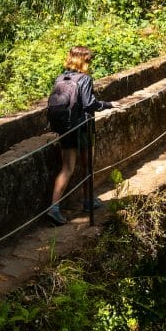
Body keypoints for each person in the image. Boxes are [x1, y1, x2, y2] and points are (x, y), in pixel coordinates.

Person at [47, 46, 114, 225]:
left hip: (65, 128)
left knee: (67, 168)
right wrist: (106, 105)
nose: (90, 63)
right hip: (82, 128)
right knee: (87, 167)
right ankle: (88, 202)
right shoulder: (85, 79)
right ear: (84, 60)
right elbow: (89, 104)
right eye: (89, 60)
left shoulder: (60, 78)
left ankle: (54, 208)